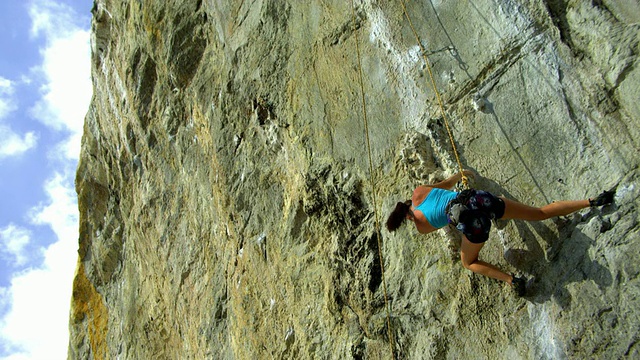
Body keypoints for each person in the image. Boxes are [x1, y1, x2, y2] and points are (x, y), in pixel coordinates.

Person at [386, 170, 615, 296]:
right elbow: (446, 183)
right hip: (477, 198)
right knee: (540, 212)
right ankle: (591, 201)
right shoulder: (418, 192)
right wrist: (461, 174)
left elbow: (444, 219)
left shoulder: (421, 227)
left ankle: (511, 280)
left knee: (469, 261)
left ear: (405, 218)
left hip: (474, 222)